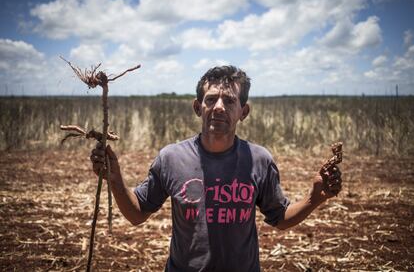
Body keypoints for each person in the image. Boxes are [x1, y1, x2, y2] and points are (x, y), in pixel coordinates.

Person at [90, 65, 342, 272]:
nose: (219, 106)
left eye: (230, 101)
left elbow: (280, 218)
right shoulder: (172, 158)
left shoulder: (259, 160)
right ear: (198, 107)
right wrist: (115, 179)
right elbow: (136, 214)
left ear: (244, 112)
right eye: (211, 99)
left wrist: (315, 197)